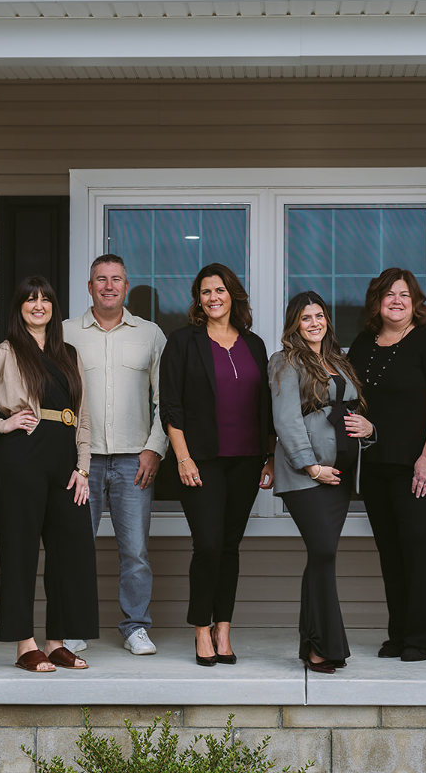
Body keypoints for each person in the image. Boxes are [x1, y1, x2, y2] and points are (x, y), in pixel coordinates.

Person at [0, 275, 96, 673]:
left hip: (65, 463)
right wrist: (1, 424)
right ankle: (24, 645)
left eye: (45, 299)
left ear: (54, 307)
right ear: (19, 309)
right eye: (29, 300)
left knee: (69, 553)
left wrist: (83, 468)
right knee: (20, 553)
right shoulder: (8, 351)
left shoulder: (70, 354)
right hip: (21, 461)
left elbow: (83, 419)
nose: (38, 305)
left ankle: (56, 642)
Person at [159, 262, 274, 666]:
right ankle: (201, 630)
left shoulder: (254, 344)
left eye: (220, 290)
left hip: (246, 461)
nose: (213, 297)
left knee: (229, 547)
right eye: (206, 291)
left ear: (233, 295)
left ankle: (224, 628)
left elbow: (267, 406)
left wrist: (270, 456)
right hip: (201, 460)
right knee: (207, 545)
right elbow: (170, 405)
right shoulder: (183, 342)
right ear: (198, 299)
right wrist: (183, 457)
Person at [348, 268, 426, 662]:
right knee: (391, 551)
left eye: (405, 295)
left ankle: (421, 637)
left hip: (422, 464)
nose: (396, 301)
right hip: (379, 462)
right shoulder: (364, 343)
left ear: (415, 303)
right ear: (376, 301)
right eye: (389, 294)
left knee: (419, 547)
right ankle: (397, 633)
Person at [62, 254, 168, 656]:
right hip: (81, 462)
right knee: (76, 546)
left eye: (117, 279)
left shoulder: (150, 335)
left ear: (126, 286)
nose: (108, 286)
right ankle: (74, 625)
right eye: (100, 279)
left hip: (133, 461)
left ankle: (135, 627)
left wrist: (153, 449)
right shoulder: (66, 333)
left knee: (136, 551)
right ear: (89, 287)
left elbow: (165, 400)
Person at [269, 291, 376, 674]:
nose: (314, 323)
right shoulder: (285, 361)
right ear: (294, 324)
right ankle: (321, 646)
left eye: (319, 316)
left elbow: (354, 412)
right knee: (324, 553)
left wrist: (369, 428)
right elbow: (286, 420)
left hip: (341, 475)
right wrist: (311, 467)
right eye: (305, 318)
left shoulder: (338, 360)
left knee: (322, 556)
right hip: (309, 476)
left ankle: (315, 644)